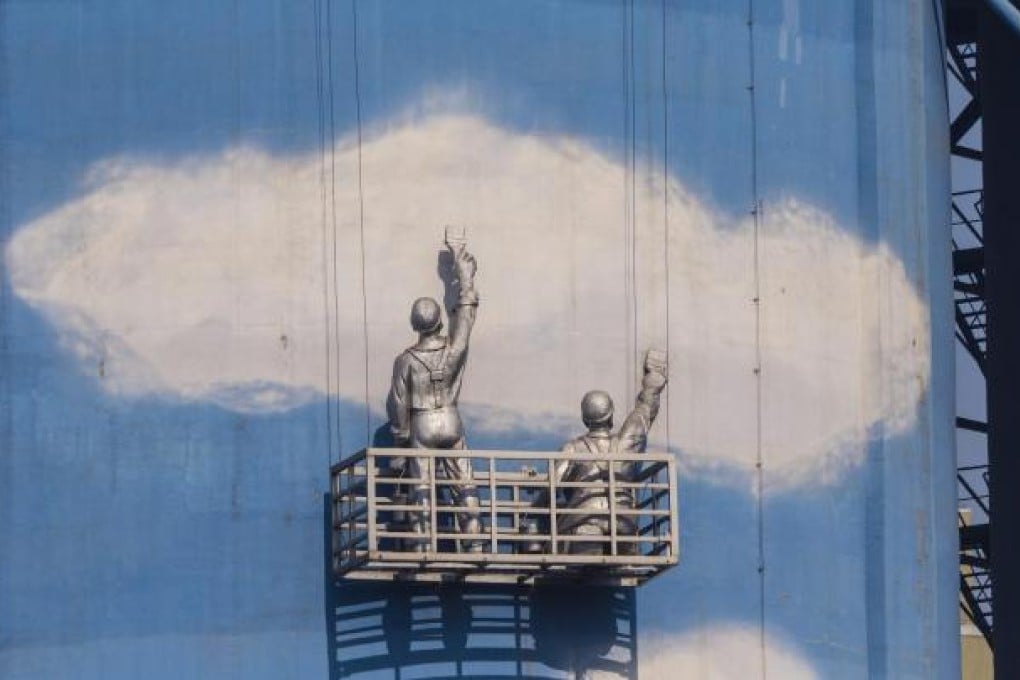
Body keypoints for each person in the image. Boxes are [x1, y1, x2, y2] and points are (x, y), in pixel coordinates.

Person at [386, 237, 482, 552]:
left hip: (422, 424)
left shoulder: (405, 360)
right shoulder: (452, 350)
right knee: (464, 484)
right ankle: (474, 541)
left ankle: (423, 544)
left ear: (414, 324)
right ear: (440, 321)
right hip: (451, 420)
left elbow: (397, 404)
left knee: (421, 488)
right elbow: (465, 323)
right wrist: (465, 278)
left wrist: (400, 439)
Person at [550, 350, 668, 555]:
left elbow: (552, 487)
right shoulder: (626, 445)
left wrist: (534, 510)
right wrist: (654, 379)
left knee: (578, 553)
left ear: (585, 419)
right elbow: (645, 411)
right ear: (611, 415)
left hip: (585, 521)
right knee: (625, 551)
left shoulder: (572, 449)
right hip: (624, 522)